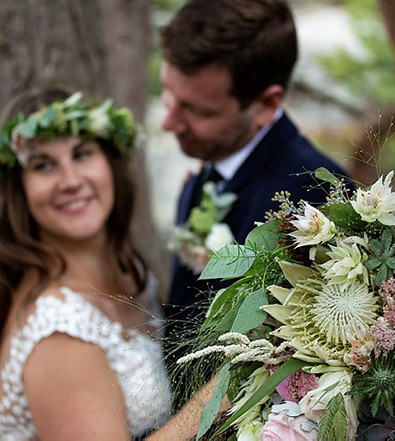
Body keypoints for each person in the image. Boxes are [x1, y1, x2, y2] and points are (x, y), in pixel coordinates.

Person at [0, 88, 221, 440]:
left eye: (81, 154)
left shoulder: (130, 278)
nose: (71, 181)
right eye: (43, 165)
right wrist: (216, 398)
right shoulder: (59, 331)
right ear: (19, 189)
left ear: (109, 164)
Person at [159, 0, 353, 407]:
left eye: (194, 110)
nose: (169, 123)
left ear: (266, 104)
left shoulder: (319, 203)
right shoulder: (210, 170)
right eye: (168, 96)